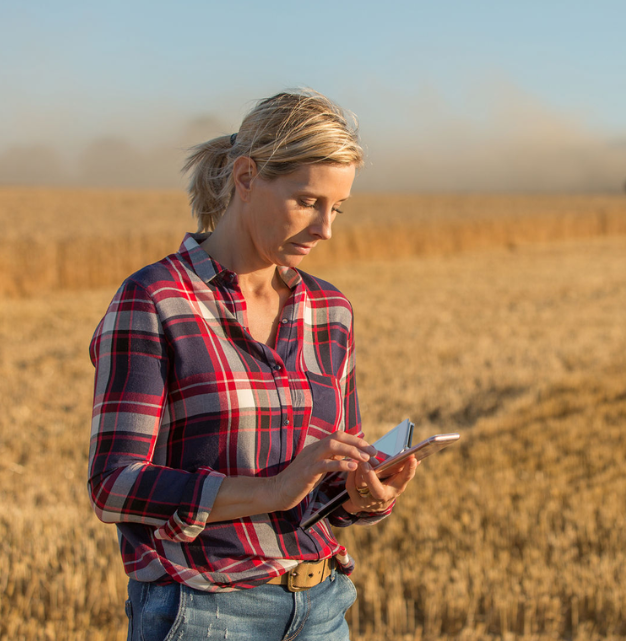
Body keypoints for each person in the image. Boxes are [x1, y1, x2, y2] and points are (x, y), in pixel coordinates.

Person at [87, 89, 418, 641]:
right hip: (203, 613)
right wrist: (270, 490)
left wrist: (364, 494)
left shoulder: (331, 310)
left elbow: (327, 486)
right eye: (308, 201)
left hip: (323, 607)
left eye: (337, 208)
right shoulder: (156, 298)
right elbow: (114, 485)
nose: (326, 228)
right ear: (245, 177)